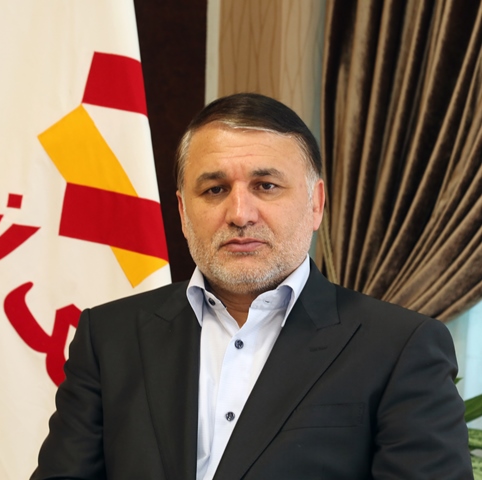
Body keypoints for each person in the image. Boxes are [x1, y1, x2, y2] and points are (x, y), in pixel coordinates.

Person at [31, 93, 473, 479]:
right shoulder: (109, 337)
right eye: (215, 189)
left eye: (266, 185)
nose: (240, 213)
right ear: (183, 213)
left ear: (316, 204)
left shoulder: (400, 347)